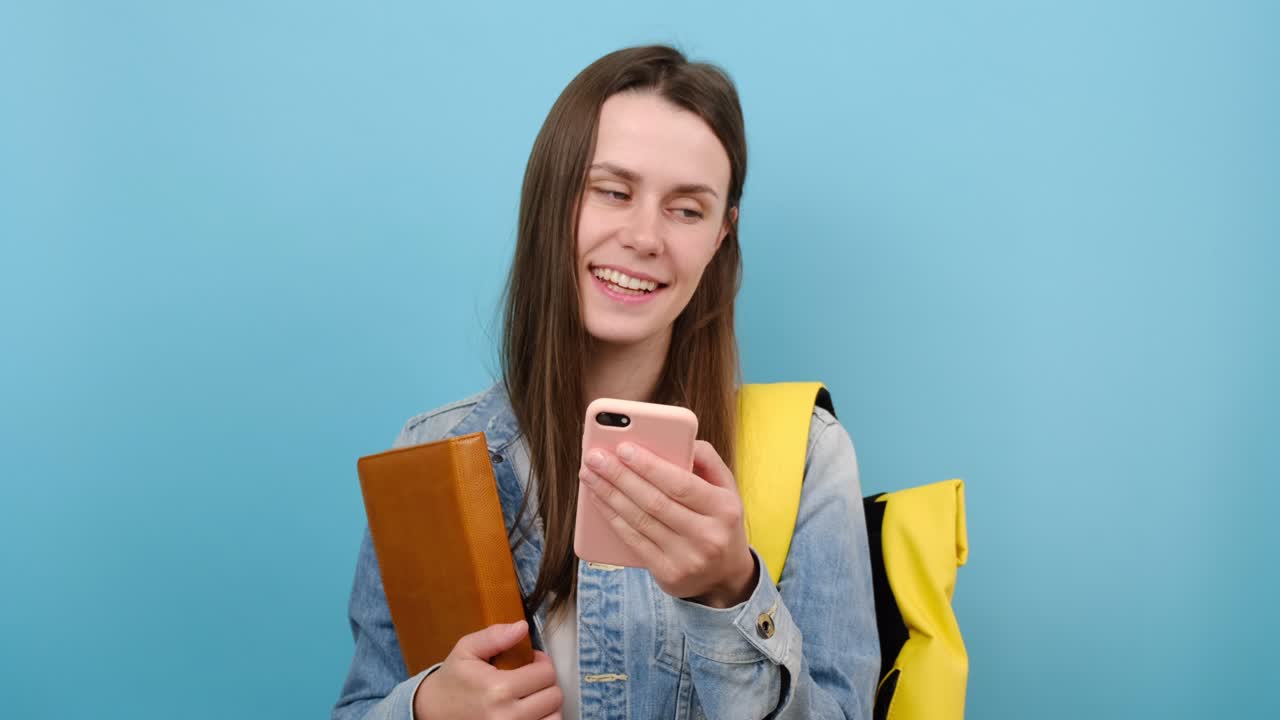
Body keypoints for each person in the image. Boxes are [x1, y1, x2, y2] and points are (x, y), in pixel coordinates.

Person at [332, 44, 880, 720]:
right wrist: (424, 709)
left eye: (686, 209)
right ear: (553, 199)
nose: (644, 236)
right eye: (613, 192)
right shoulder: (434, 452)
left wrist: (731, 594)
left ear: (720, 237)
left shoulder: (806, 457)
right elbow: (360, 705)